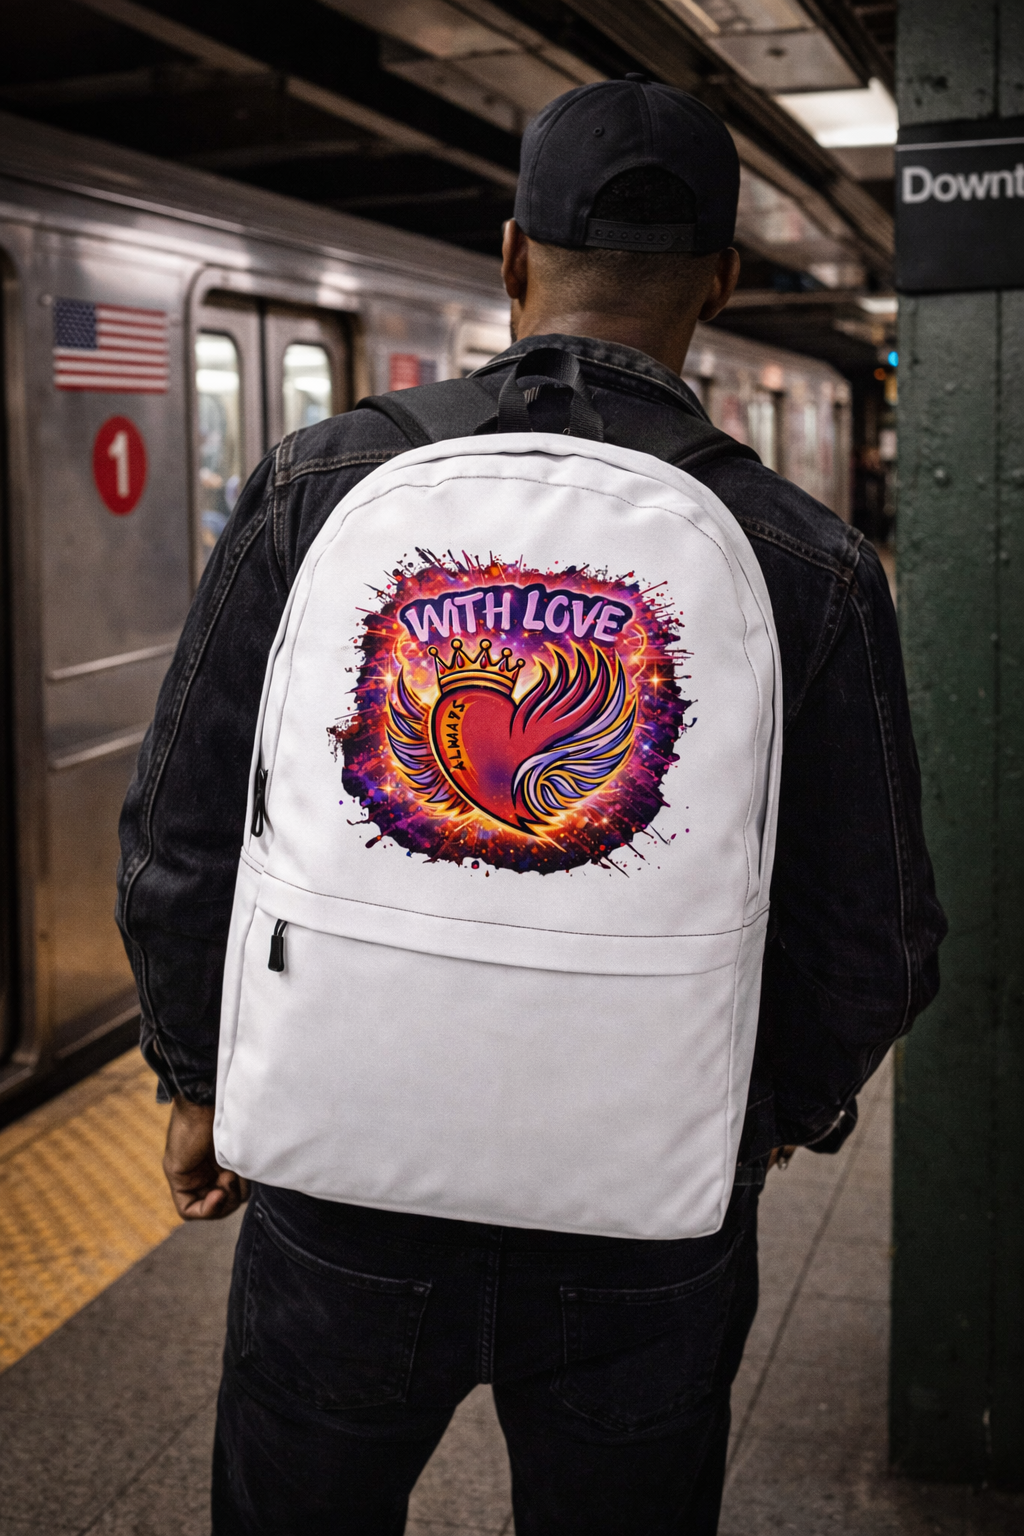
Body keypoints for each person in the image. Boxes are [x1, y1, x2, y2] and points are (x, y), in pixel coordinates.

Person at [117, 77, 945, 1536]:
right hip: (644, 1221)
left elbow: (184, 829)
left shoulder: (323, 479)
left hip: (346, 1183)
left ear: (509, 256)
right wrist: (745, 1132)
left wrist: (200, 1077)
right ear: (724, 280)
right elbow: (874, 938)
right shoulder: (806, 561)